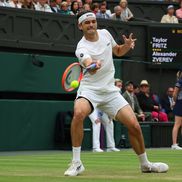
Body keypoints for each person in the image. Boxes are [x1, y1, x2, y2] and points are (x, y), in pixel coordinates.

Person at [64, 10, 168, 176]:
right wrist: (92, 65)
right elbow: (87, 62)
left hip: (110, 91)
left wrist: (126, 46)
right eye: (87, 22)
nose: (91, 24)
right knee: (78, 113)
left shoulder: (105, 34)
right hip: (90, 90)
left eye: (93, 21)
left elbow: (118, 51)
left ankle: (145, 164)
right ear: (80, 26)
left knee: (133, 124)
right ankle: (76, 163)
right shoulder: (81, 47)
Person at [171, 71, 182, 150]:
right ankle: (174, 144)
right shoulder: (179, 81)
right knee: (177, 124)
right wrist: (176, 101)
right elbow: (175, 94)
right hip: (180, 103)